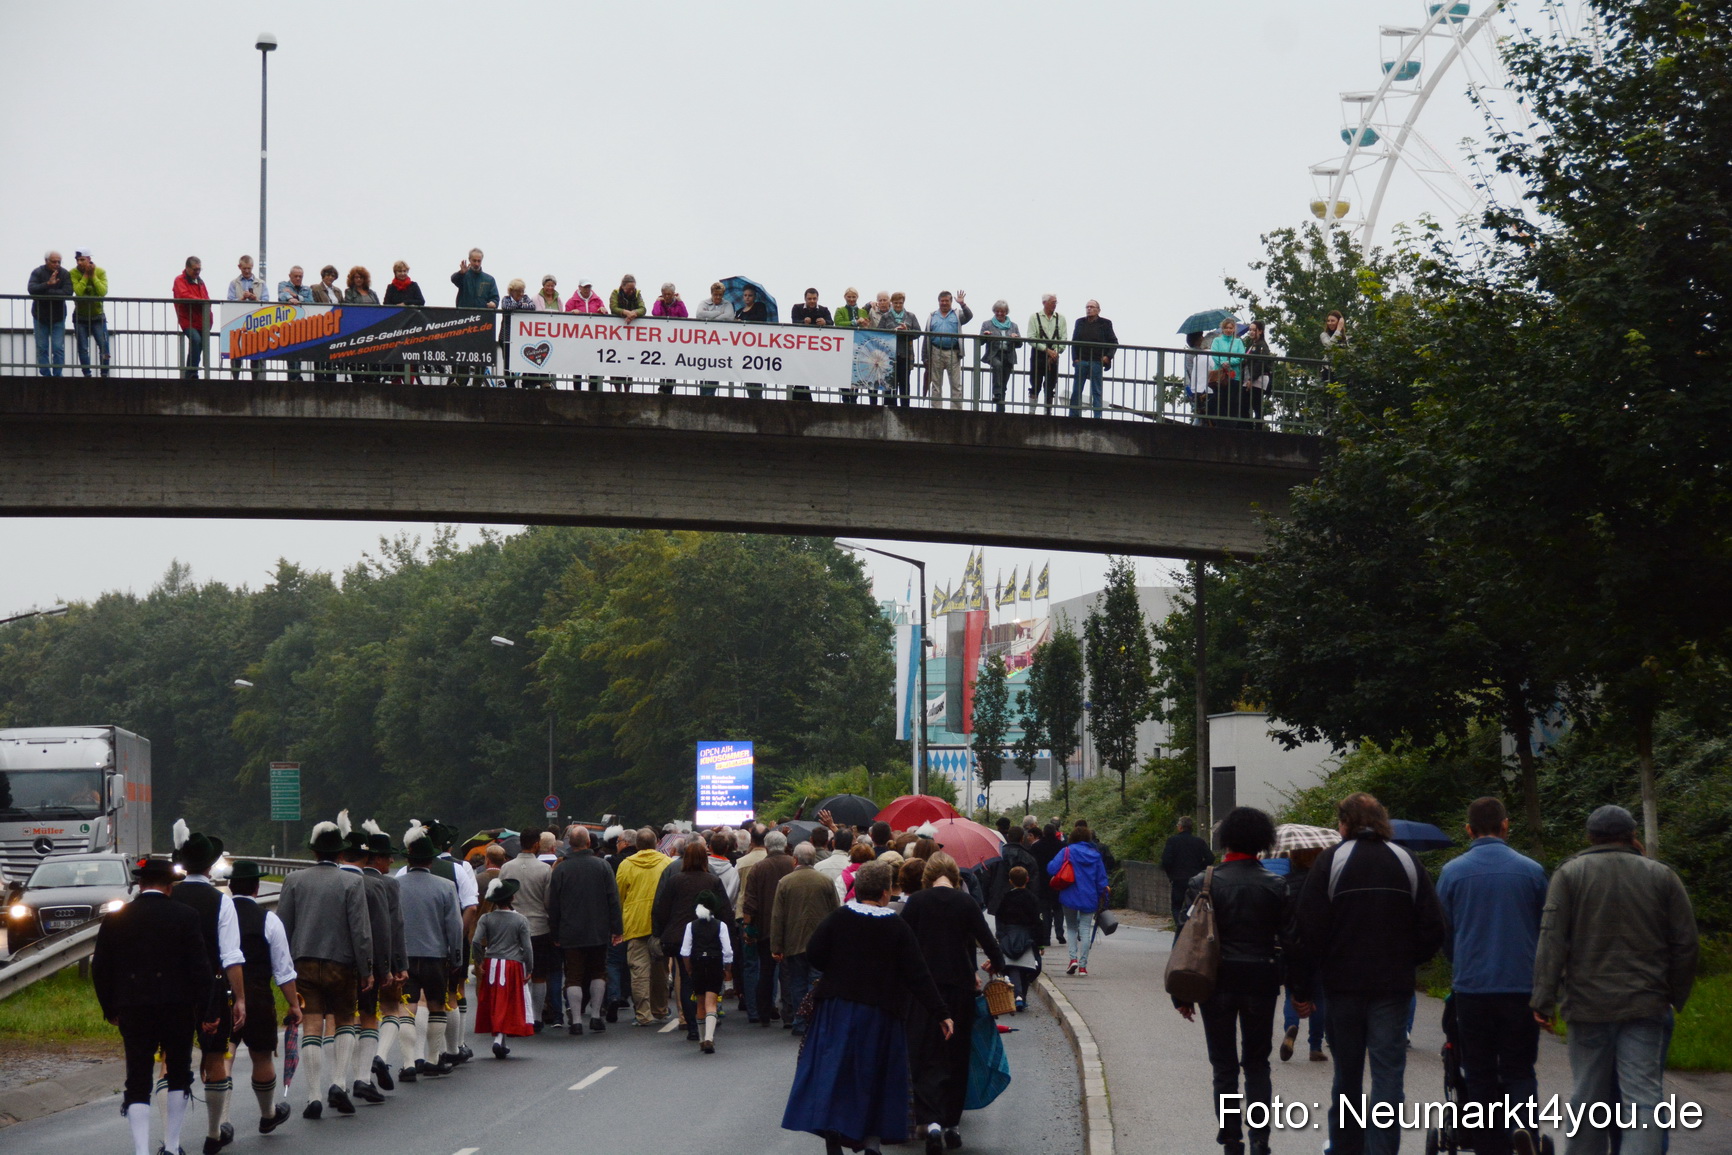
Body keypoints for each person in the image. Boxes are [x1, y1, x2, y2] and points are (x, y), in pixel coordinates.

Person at [1532, 805, 1698, 1155]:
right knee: (1643, 1097)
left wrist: (1543, 1000)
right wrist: (1673, 994)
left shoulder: (1569, 875)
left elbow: (1552, 939)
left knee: (1589, 1096)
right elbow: (1685, 941)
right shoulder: (1662, 875)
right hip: (1646, 1002)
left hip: (1588, 1004)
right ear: (1631, 834)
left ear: (1590, 836)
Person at [1295, 793, 1447, 1155]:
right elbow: (1433, 927)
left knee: (1347, 1075)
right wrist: (1408, 961)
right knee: (1388, 1075)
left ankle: (1345, 1147)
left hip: (1342, 986)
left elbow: (1307, 929)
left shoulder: (1331, 861)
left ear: (1344, 823)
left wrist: (1303, 988)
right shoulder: (1406, 861)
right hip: (1392, 988)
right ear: (1382, 821)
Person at [782, 860, 953, 1155]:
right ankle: (872, 1143)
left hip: (836, 1009)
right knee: (875, 1077)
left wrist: (838, 968)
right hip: (880, 1014)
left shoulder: (839, 918)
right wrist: (941, 1013)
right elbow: (918, 974)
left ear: (858, 889)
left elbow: (815, 954)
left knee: (834, 1072)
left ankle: (833, 1128)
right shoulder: (896, 926)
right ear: (886, 892)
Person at [1172, 807, 1300, 1155]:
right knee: (1257, 1063)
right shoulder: (1277, 886)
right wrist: (1299, 990)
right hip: (1261, 980)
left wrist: (1181, 994)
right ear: (1263, 843)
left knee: (1224, 1066)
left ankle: (1231, 1138)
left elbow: (1185, 940)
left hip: (1216, 982)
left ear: (1225, 839)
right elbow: (1292, 943)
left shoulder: (1203, 883)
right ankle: (1260, 1138)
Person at [1433, 797, 1550, 1155]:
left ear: (1468, 830)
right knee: (1520, 1068)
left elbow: (1444, 930)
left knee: (1479, 1072)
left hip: (1473, 988)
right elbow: (1547, 929)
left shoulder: (1452, 872)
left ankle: (1489, 1146)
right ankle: (1525, 1129)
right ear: (1506, 825)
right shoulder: (1531, 871)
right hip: (1520, 986)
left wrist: (1461, 961)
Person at [93, 854, 212, 1155]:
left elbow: (101, 968)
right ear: (169, 887)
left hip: (133, 1007)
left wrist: (110, 1008)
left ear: (139, 884)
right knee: (178, 1072)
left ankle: (141, 1150)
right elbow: (200, 967)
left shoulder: (116, 917)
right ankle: (172, 1146)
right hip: (177, 1006)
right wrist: (207, 1009)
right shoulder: (186, 915)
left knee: (138, 1076)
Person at [901, 851, 1005, 1154]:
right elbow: (990, 944)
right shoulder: (967, 903)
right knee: (956, 1055)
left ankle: (930, 1122)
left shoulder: (917, 902)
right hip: (959, 990)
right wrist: (992, 965)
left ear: (928, 875)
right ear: (955, 876)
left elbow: (902, 942)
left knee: (925, 1054)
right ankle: (950, 1124)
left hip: (923, 992)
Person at [275, 816, 374, 1119]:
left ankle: (314, 1096)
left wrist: (284, 967)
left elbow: (283, 926)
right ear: (342, 854)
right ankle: (339, 1083)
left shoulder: (294, 881)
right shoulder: (352, 882)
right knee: (345, 1020)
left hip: (303, 963)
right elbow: (360, 930)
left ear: (314, 852)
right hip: (340, 963)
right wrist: (366, 967)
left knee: (312, 1026)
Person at [167, 822, 248, 1154]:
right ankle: (214, 1133)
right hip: (211, 988)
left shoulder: (168, 896)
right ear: (210, 865)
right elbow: (231, 955)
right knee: (216, 1056)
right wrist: (240, 997)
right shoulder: (221, 901)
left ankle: (170, 1139)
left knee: (169, 1062)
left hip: (170, 990)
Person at [224, 862, 301, 1136]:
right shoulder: (268, 920)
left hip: (221, 994)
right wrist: (293, 1004)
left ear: (230, 887)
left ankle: (221, 1120)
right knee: (262, 1056)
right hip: (257, 995)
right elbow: (283, 970)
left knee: (225, 1053)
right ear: (257, 888)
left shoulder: (218, 917)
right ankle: (268, 1114)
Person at [395, 821, 464, 1079]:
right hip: (436, 955)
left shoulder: (395, 885)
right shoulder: (445, 887)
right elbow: (455, 927)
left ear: (409, 860)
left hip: (404, 956)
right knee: (436, 1005)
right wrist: (456, 956)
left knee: (407, 1008)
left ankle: (409, 1062)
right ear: (431, 861)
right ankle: (434, 1058)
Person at [656, 838, 739, 1038]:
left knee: (686, 980)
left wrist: (659, 932)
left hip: (678, 936)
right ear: (705, 858)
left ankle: (692, 1025)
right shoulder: (712, 880)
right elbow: (724, 911)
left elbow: (661, 909)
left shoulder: (675, 880)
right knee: (709, 979)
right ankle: (709, 1015)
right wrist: (729, 935)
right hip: (708, 937)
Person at [546, 825, 624, 1035]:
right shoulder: (602, 867)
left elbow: (553, 905)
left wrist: (555, 932)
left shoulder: (561, 869)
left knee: (573, 975)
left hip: (570, 931)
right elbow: (612, 899)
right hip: (599, 929)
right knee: (599, 972)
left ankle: (577, 1021)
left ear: (570, 844)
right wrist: (617, 928)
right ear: (589, 843)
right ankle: (597, 1016)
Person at [360, 821, 409, 1094]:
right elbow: (394, 926)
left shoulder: (351, 879)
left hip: (354, 961)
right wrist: (398, 964)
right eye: (387, 855)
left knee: (354, 1018)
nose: (391, 860)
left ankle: (354, 1075)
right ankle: (379, 1056)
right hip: (383, 957)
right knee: (391, 1008)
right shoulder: (389, 885)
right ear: (376, 858)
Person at [772, 841, 840, 1036]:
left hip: (794, 941)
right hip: (820, 942)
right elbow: (835, 911)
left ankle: (799, 1020)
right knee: (816, 981)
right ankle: (814, 1018)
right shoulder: (825, 881)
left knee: (797, 982)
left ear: (795, 859)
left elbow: (778, 916)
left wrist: (776, 945)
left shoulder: (785, 882)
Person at [496, 825, 555, 1026]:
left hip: (511, 928)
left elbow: (501, 897)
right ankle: (536, 1016)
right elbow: (549, 901)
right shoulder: (545, 869)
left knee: (516, 974)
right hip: (538, 927)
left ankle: (518, 1014)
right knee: (539, 974)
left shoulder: (506, 868)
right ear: (537, 844)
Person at [471, 877, 534, 1058]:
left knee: (496, 1001)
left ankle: (501, 1039)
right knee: (508, 1001)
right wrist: (529, 968)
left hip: (491, 963)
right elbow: (527, 947)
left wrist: (479, 960)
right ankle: (499, 1038)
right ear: (512, 898)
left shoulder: (486, 918)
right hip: (512, 964)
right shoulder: (521, 920)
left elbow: (476, 941)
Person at [616, 826, 673, 1025]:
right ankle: (660, 1009)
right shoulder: (666, 863)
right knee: (660, 970)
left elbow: (620, 895)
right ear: (657, 843)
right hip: (660, 924)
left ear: (637, 844)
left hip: (635, 923)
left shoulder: (626, 865)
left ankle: (643, 1014)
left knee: (639, 971)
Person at [1279, 846, 1330, 1063]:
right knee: (1319, 995)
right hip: (1319, 947)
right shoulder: (1324, 885)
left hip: (1290, 946)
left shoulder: (1284, 883)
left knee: (1292, 991)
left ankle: (1291, 1025)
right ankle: (1315, 1045)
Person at [744, 829, 798, 1026]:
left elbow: (750, 902)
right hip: (791, 928)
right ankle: (789, 1015)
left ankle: (764, 1013)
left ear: (766, 846)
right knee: (788, 973)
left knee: (765, 972)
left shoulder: (758, 868)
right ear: (784, 846)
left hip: (765, 928)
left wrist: (748, 928)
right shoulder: (793, 864)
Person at [1049, 822, 1110, 974]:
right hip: (1089, 897)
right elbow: (1102, 880)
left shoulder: (1067, 851)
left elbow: (1051, 868)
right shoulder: (1096, 855)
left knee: (1070, 928)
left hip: (1069, 895)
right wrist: (1104, 898)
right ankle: (1083, 966)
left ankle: (1073, 959)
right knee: (1085, 930)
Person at [681, 888, 735, 1053]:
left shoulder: (691, 926)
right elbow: (727, 951)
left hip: (697, 963)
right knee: (711, 1003)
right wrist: (727, 969)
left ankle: (701, 1038)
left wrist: (689, 969)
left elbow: (685, 951)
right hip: (714, 963)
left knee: (700, 1005)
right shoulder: (721, 926)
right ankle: (709, 1038)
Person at [995, 865, 1045, 1008]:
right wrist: (1040, 943)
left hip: (1009, 935)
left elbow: (1000, 917)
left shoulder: (1005, 898)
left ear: (1010, 881)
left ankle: (1017, 995)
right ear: (1027, 879)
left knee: (1012, 965)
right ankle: (1021, 995)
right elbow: (1038, 922)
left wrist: (1000, 935)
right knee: (1026, 966)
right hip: (1027, 936)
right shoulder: (1033, 899)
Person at [450, 249, 499, 386]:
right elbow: (453, 279)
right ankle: (460, 381)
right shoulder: (464, 276)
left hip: (483, 323)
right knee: (464, 352)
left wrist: (493, 304)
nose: (477, 263)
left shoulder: (489, 279)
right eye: (474, 260)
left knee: (481, 353)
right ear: (470, 260)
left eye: (479, 261)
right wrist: (461, 273)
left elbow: (495, 298)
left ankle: (477, 384)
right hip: (464, 321)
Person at [1160, 815, 1215, 933]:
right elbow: (1210, 857)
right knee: (1195, 904)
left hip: (1178, 879)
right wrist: (1200, 868)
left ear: (1180, 827)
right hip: (1195, 879)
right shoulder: (1199, 842)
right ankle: (1193, 926)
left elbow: (1166, 861)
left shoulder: (1172, 841)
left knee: (1176, 906)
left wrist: (1171, 873)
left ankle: (1181, 928)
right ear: (1191, 828)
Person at [923, 290, 973, 409]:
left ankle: (955, 410)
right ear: (938, 302)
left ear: (951, 302)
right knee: (936, 383)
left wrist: (963, 304)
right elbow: (926, 336)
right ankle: (936, 409)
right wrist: (924, 356)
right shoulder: (932, 316)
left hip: (953, 352)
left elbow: (969, 316)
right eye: (942, 301)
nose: (944, 303)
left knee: (956, 384)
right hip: (936, 351)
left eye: (947, 301)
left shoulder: (957, 314)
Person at [27, 250, 74, 376]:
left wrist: (47, 292)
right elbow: (31, 289)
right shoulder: (38, 272)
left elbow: (68, 292)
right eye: (54, 261)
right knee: (42, 348)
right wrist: (48, 284)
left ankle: (57, 375)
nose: (57, 264)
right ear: (46, 261)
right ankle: (46, 375)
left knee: (58, 348)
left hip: (58, 317)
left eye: (59, 261)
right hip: (40, 316)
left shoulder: (64, 274)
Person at [1070, 299, 1118, 416]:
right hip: (1082, 360)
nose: (1089, 309)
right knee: (1077, 390)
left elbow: (1114, 342)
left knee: (1096, 391)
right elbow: (1074, 341)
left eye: (1092, 307)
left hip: (1097, 361)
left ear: (1098, 310)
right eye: (1087, 307)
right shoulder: (1080, 322)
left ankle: (1097, 417)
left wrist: (1108, 357)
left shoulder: (1105, 323)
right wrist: (1075, 359)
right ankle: (1074, 415)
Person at [69, 249, 110, 378]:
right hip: (80, 316)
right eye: (78, 260)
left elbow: (103, 292)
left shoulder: (100, 271)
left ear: (89, 259)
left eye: (82, 260)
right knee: (83, 347)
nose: (79, 263)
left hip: (97, 315)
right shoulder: (73, 273)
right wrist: (86, 276)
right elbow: (79, 292)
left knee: (103, 345)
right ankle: (87, 374)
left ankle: (104, 373)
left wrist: (93, 276)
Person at [976, 300, 1022, 414]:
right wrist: (984, 335)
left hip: (1008, 355)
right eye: (997, 311)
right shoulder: (987, 324)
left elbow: (1020, 344)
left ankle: (1000, 408)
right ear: (994, 311)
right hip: (994, 354)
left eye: (1002, 311)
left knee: (1004, 383)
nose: (1000, 314)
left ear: (1006, 312)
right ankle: (996, 393)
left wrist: (1015, 338)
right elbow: (980, 342)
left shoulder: (1013, 326)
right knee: (997, 365)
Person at [985, 824, 1041, 915]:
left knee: (1001, 928)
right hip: (1022, 903)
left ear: (1008, 837)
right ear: (1022, 838)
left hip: (999, 900)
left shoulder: (997, 856)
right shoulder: (1029, 858)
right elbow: (1034, 883)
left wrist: (988, 900)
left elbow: (987, 879)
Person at [173, 256, 212, 380]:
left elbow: (207, 299)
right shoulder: (180, 280)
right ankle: (191, 372)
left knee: (198, 344)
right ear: (187, 268)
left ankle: (191, 372)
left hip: (201, 320)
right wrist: (201, 301)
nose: (197, 272)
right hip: (187, 320)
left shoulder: (200, 282)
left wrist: (209, 318)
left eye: (199, 269)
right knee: (195, 340)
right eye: (195, 269)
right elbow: (183, 295)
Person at [607, 275, 649, 392]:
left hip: (632, 334)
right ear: (623, 286)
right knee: (615, 361)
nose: (631, 291)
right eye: (629, 289)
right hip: (617, 333)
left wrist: (634, 313)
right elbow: (613, 307)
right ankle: (616, 388)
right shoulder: (615, 293)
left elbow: (643, 308)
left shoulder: (637, 294)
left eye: (633, 289)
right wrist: (625, 312)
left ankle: (627, 388)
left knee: (630, 360)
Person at [877, 292, 919, 408]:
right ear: (892, 303)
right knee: (889, 383)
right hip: (888, 357)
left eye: (900, 303)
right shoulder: (886, 317)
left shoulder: (911, 316)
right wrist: (893, 331)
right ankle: (889, 407)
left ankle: (905, 408)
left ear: (903, 302)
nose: (898, 305)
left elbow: (918, 333)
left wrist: (907, 330)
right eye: (895, 303)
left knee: (905, 383)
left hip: (905, 355)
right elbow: (879, 333)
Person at [790, 287, 832, 401]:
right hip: (801, 347)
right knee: (800, 370)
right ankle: (799, 394)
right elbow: (794, 321)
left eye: (814, 298)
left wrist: (825, 322)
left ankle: (802, 394)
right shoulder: (797, 308)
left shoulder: (824, 310)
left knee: (812, 371)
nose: (812, 301)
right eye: (809, 299)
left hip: (818, 348)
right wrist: (803, 322)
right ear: (805, 299)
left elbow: (831, 322)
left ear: (817, 298)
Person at [1029, 820, 1067, 945]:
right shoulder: (1062, 846)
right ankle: (1060, 933)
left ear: (1044, 833)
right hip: (1058, 881)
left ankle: (1046, 937)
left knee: (1045, 910)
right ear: (1055, 832)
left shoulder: (1036, 847)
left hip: (1042, 882)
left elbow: (1033, 865)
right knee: (1058, 908)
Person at [1026, 294, 1066, 412]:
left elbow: (1064, 338)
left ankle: (1047, 411)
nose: (1054, 304)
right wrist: (1046, 350)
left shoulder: (1061, 318)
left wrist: (1056, 351)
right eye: (1052, 302)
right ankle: (1032, 411)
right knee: (1035, 383)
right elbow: (1031, 338)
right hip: (1038, 353)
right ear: (1044, 303)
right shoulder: (1034, 317)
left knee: (1051, 384)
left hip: (1054, 355)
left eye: (1055, 302)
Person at [651, 282, 689, 393]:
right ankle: (661, 388)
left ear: (674, 294)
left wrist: (680, 301)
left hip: (675, 340)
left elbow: (684, 315)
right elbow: (656, 313)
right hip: (662, 340)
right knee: (662, 363)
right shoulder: (660, 303)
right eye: (665, 294)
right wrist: (658, 302)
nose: (667, 296)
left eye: (669, 294)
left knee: (673, 364)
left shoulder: (678, 304)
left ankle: (668, 389)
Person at [1209, 317, 1249, 424]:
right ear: (1223, 329)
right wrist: (1222, 362)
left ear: (1234, 329)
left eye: (1230, 328)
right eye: (1226, 328)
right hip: (1220, 375)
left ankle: (1232, 424)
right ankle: (1219, 423)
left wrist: (1229, 362)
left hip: (1234, 376)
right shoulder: (1217, 340)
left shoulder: (1238, 342)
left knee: (1233, 402)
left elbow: (1241, 356)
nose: (1228, 330)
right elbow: (1214, 354)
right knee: (1220, 400)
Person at [499, 279, 537, 386]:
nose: (521, 294)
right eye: (518, 291)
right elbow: (506, 307)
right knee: (508, 363)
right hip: (507, 337)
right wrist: (520, 305)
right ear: (511, 291)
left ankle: (526, 382)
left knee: (525, 360)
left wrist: (517, 305)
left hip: (522, 338)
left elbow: (532, 307)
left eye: (522, 291)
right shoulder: (506, 299)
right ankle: (510, 384)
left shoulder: (526, 298)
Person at [1241, 319, 1274, 425]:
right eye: (1250, 330)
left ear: (1260, 331)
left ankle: (1258, 428)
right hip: (1249, 378)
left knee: (1256, 404)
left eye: (1254, 330)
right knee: (1246, 404)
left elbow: (1260, 363)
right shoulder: (1252, 345)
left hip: (1257, 379)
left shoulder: (1262, 345)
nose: (1251, 332)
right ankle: (1249, 427)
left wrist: (1252, 379)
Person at [1185, 330, 1213, 423]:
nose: (1203, 338)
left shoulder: (1193, 352)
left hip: (1194, 386)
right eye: (1201, 336)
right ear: (1196, 339)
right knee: (1201, 412)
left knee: (1201, 412)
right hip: (1195, 387)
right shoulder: (1194, 353)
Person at [1320, 310, 1347, 384]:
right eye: (1328, 321)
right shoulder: (1324, 335)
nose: (1330, 323)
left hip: (1342, 372)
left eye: (1332, 321)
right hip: (1328, 371)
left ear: (1338, 322)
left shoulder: (1346, 338)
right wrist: (1338, 329)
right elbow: (1329, 346)